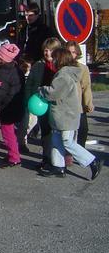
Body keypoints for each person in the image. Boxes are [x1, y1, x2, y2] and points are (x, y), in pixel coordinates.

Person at [37, 47, 102, 180]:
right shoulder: (66, 73)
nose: (52, 60)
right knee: (56, 141)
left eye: (54, 58)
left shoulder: (63, 75)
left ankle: (92, 161)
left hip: (66, 116)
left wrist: (41, 90)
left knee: (67, 142)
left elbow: (53, 93)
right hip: (63, 115)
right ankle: (58, 167)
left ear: (60, 59)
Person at [22, 37, 61, 169]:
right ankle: (46, 159)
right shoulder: (38, 65)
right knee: (45, 133)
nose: (47, 52)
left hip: (58, 105)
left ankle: (59, 161)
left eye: (50, 50)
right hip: (41, 104)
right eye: (45, 50)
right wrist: (28, 100)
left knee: (58, 134)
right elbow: (29, 84)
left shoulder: (61, 67)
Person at [0, 43, 24, 168]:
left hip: (6, 107)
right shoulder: (16, 69)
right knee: (11, 132)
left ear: (3, 58)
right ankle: (13, 153)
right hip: (15, 104)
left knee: (7, 133)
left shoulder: (3, 73)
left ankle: (14, 157)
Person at [65, 41, 93, 147]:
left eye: (73, 52)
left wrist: (88, 103)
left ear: (77, 53)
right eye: (68, 52)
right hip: (65, 106)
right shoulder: (61, 67)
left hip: (79, 106)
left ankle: (81, 150)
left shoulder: (83, 68)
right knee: (67, 133)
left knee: (83, 130)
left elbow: (86, 87)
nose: (71, 55)